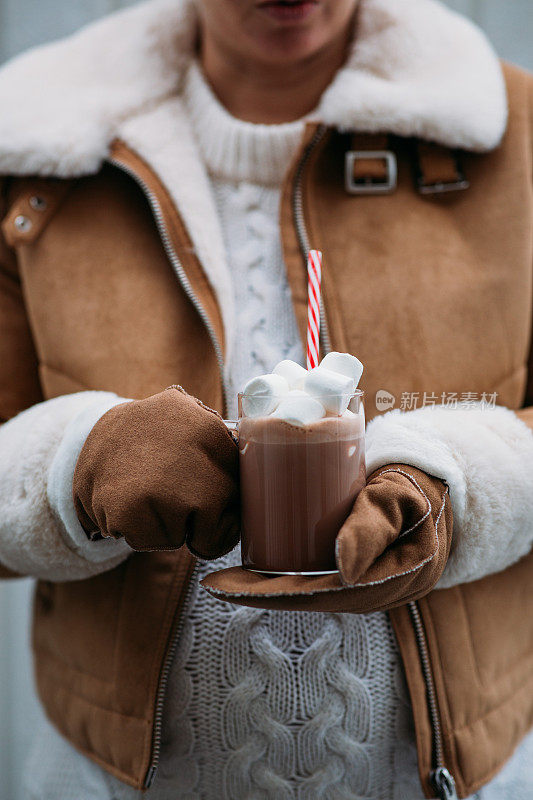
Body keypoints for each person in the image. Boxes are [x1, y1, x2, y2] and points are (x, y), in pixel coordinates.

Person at [0, 0, 532, 797]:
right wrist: (78, 463)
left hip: (445, 776)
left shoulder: (511, 131)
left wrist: (460, 489)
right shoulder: (39, 139)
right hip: (111, 779)